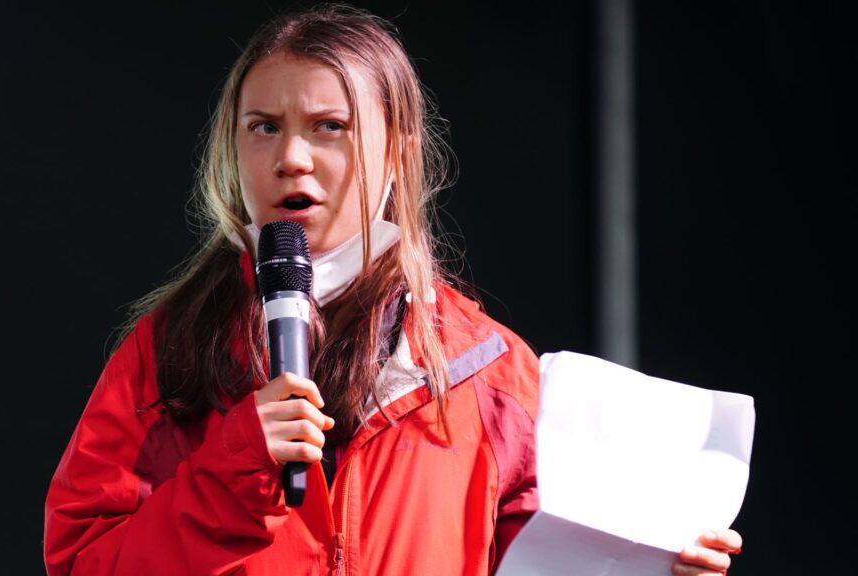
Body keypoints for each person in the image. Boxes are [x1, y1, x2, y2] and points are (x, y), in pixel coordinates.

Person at [43, 4, 743, 575]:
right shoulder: (166, 353)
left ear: (399, 152)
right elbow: (81, 564)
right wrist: (233, 468)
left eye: (330, 128)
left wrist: (653, 570)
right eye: (264, 128)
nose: (291, 157)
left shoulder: (489, 372)